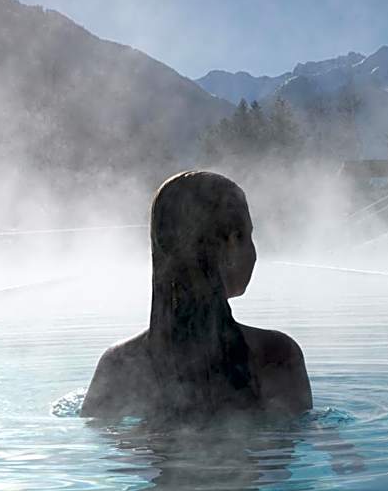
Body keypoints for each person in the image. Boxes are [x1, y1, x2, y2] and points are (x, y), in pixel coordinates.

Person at [81, 171, 312, 420]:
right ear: (232, 242)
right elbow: (296, 438)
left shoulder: (120, 365)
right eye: (249, 235)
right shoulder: (274, 355)